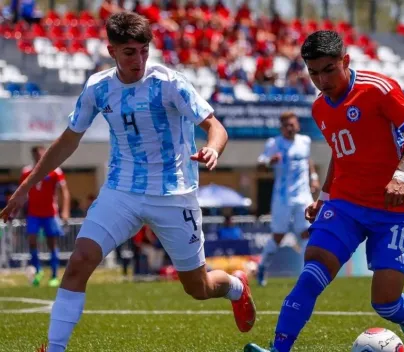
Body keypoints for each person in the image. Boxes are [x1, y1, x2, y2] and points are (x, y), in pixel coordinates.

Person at [1, 12, 255, 352]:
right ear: (111, 51)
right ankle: (55, 347)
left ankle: (236, 287)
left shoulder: (170, 83)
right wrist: (24, 189)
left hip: (174, 193)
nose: (139, 59)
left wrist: (212, 149)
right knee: (78, 262)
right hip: (122, 191)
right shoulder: (98, 87)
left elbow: (215, 127)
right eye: (129, 52)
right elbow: (67, 141)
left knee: (198, 288)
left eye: (144, 50)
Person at [245, 30, 404, 352]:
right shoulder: (319, 109)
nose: (321, 79)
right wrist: (325, 198)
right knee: (312, 271)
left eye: (329, 69)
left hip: (392, 210)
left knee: (385, 303)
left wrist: (400, 176)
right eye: (313, 72)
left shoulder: (378, 89)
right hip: (345, 205)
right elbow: (340, 153)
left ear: (345, 61)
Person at [256, 111, 320, 286]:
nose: (290, 128)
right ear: (282, 127)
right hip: (283, 197)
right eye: (286, 125)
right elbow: (260, 164)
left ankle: (306, 274)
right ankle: (262, 267)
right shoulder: (274, 143)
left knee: (307, 233)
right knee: (278, 235)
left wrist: (313, 177)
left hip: (303, 195)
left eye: (293, 124)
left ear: (297, 125)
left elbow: (308, 160)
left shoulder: (305, 141)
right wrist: (270, 161)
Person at [20, 145, 70, 287]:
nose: (39, 157)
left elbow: (64, 191)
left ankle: (54, 275)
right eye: (36, 155)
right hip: (33, 213)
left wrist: (65, 210)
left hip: (50, 214)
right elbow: (22, 192)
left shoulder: (55, 171)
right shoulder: (27, 171)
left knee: (52, 243)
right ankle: (38, 270)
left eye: (41, 154)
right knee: (32, 241)